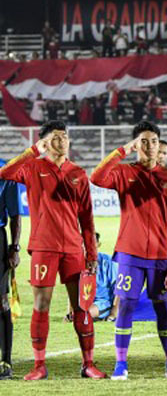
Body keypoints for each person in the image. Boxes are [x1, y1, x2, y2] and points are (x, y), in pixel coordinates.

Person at [0, 120, 105, 380]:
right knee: (41, 306)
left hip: (73, 249)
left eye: (65, 136)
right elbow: (4, 173)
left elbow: (88, 219)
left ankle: (88, 364)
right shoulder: (33, 167)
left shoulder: (79, 173)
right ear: (45, 142)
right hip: (44, 248)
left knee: (81, 306)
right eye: (56, 137)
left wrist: (91, 254)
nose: (63, 140)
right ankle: (39, 366)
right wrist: (33, 150)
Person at [90, 121, 167, 380]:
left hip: (161, 257)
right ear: (136, 144)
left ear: (159, 145)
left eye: (153, 141)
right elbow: (96, 177)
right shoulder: (123, 173)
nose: (149, 146)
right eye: (143, 141)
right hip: (130, 254)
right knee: (126, 306)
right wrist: (123, 151)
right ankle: (121, 365)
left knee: (163, 309)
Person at [0, 158, 22, 380]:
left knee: (1, 301)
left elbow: (15, 215)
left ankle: (5, 360)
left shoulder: (6, 172)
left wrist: (15, 247)